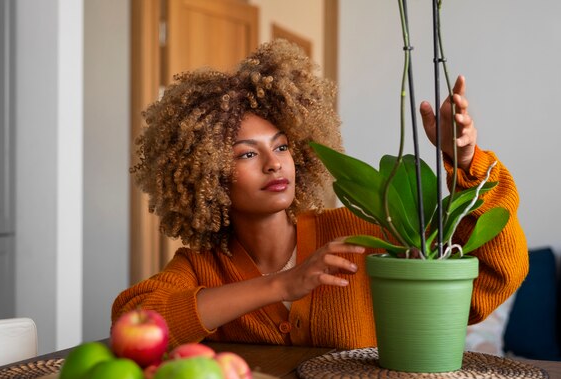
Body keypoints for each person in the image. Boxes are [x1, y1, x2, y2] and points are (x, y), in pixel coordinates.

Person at [112, 39, 528, 350]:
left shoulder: (360, 232)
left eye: (280, 146)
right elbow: (133, 325)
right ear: (205, 175)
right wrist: (282, 286)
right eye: (246, 154)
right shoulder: (202, 266)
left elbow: (496, 273)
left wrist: (467, 160)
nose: (274, 164)